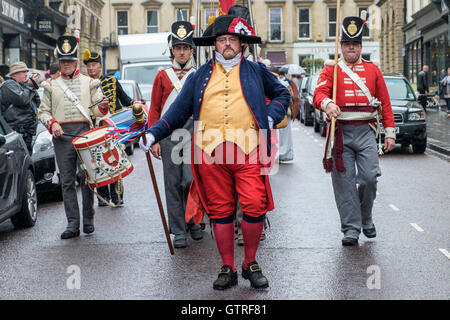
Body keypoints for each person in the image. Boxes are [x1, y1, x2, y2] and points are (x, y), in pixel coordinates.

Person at [140, 15, 290, 289]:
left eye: (233, 39)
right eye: (222, 40)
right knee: (220, 211)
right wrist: (154, 132)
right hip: (210, 153)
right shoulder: (198, 75)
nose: (228, 44)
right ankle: (227, 267)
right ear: (214, 45)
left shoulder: (256, 70)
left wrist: (270, 117)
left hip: (248, 148)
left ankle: (251, 262)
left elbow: (283, 94)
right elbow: (176, 112)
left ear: (241, 43)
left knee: (255, 204)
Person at [313, 15, 396, 246]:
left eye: (355, 44)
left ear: (360, 46)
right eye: (347, 44)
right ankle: (351, 228)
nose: (351, 48)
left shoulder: (373, 70)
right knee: (345, 183)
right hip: (341, 132)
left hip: (366, 131)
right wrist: (327, 103)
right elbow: (318, 94)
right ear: (341, 46)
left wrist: (389, 132)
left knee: (369, 178)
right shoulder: (331, 71)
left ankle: (365, 216)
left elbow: (385, 103)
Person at [38, 35, 109, 239]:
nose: (66, 64)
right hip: (62, 137)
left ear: (76, 61)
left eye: (70, 60)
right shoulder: (51, 85)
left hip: (85, 135)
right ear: (59, 62)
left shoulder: (89, 83)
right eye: (63, 61)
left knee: (86, 179)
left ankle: (88, 220)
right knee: (67, 182)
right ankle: (72, 224)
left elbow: (97, 111)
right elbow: (43, 112)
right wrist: (53, 123)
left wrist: (102, 106)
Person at [147, 21, 202, 248]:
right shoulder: (162, 76)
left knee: (191, 179)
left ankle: (193, 220)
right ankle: (178, 229)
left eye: (186, 47)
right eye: (178, 47)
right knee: (172, 183)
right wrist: (155, 139)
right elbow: (155, 109)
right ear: (172, 50)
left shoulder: (199, 75)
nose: (181, 51)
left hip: (193, 132)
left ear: (191, 50)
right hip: (168, 133)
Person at [82, 48, 137, 207]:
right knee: (97, 164)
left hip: (112, 129)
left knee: (114, 162)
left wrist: (137, 107)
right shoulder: (84, 85)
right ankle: (102, 197)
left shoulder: (111, 81)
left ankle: (117, 196)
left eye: (94, 65)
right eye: (89, 66)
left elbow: (126, 100)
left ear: (100, 66)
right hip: (93, 130)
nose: (91, 68)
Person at [1, 61, 40, 154]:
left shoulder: (24, 86)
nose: (26, 74)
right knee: (21, 161)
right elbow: (22, 99)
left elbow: (37, 102)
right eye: (24, 72)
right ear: (14, 75)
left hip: (27, 132)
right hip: (17, 131)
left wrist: (33, 85)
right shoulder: (9, 85)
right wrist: (30, 85)